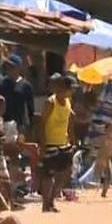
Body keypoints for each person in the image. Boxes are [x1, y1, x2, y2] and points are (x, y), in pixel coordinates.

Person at [38, 74, 76, 213]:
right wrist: (42, 145)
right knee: (48, 175)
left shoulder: (68, 102)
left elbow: (70, 120)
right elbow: (41, 124)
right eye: (71, 89)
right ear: (63, 88)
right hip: (50, 143)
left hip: (63, 143)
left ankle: (51, 201)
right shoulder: (50, 103)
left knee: (65, 172)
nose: (72, 92)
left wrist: (73, 139)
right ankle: (46, 204)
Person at [0, 55, 35, 137]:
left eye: (12, 66)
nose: (9, 69)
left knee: (16, 148)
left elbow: (30, 109)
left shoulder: (26, 86)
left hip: (18, 126)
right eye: (7, 66)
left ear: (19, 68)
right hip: (1, 124)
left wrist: (30, 128)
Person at [87, 82, 112, 198]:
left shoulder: (98, 111)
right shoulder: (110, 114)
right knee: (106, 164)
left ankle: (102, 189)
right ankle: (103, 190)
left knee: (104, 164)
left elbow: (92, 127)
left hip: (98, 140)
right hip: (106, 140)